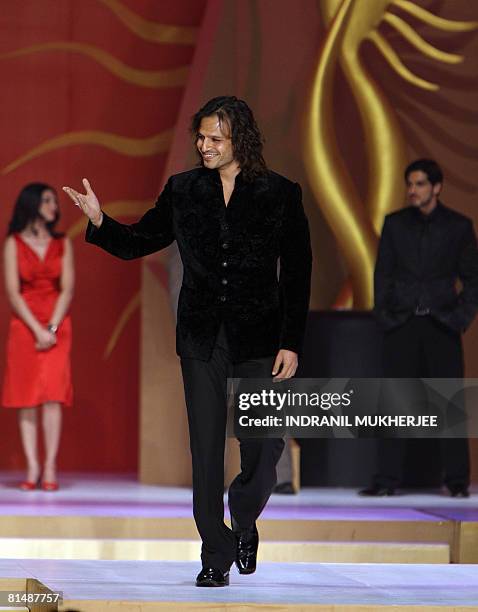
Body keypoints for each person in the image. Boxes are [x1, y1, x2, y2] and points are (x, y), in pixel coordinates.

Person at [63, 96, 312, 587]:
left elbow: (299, 272)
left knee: (263, 452)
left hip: (259, 337)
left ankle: (243, 518)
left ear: (239, 138)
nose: (205, 146)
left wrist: (291, 340)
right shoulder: (183, 190)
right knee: (204, 451)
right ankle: (214, 556)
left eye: (215, 138)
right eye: (201, 138)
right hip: (201, 338)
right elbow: (140, 241)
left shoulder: (279, 193)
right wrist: (99, 221)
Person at [360, 159, 478, 498]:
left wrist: (460, 317)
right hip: (402, 322)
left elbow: (472, 279)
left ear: (437, 187)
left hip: (442, 323)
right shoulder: (395, 224)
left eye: (420, 184)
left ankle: (456, 482)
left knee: (450, 403)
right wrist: (384, 314)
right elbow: (382, 273)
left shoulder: (458, 226)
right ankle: (386, 481)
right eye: (410, 184)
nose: (413, 190)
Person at [2, 183, 74, 491]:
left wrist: (52, 328)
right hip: (25, 326)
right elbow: (13, 292)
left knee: (53, 397)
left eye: (54, 202)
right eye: (47, 200)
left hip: (57, 325)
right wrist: (36, 329)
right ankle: (32, 466)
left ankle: (50, 467)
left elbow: (67, 288)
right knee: (27, 397)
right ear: (31, 204)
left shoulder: (62, 242)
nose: (53, 206)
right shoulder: (13, 243)